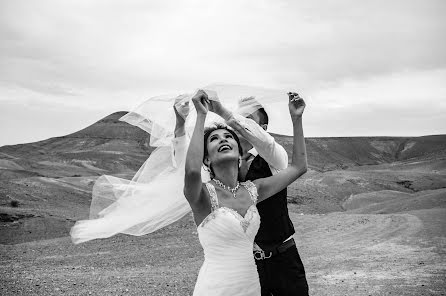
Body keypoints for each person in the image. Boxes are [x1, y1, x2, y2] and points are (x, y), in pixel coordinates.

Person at [183, 90, 307, 295]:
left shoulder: (257, 183)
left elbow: (299, 167)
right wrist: (201, 115)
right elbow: (192, 170)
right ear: (207, 159)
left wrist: (297, 119)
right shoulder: (203, 194)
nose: (236, 127)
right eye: (214, 138)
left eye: (228, 136)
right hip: (220, 285)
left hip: (267, 273)